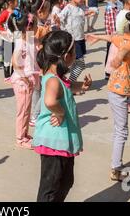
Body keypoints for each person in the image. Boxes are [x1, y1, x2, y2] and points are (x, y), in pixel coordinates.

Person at [86, 12, 130, 181]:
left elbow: (111, 37)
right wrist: (118, 57)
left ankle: (117, 165)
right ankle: (116, 168)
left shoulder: (123, 37)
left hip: (118, 90)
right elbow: (125, 49)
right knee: (121, 131)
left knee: (120, 129)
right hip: (119, 92)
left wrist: (97, 37)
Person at [33, 30, 92, 202]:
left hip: (61, 140)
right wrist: (60, 112)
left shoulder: (58, 76)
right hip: (54, 141)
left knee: (65, 181)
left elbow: (66, 86)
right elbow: (51, 101)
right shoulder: (52, 80)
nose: (76, 55)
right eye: (74, 52)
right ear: (66, 56)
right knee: (51, 187)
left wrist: (81, 86)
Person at [8, 9, 39, 149]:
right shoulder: (21, 42)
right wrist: (24, 78)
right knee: (23, 111)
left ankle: (25, 134)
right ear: (29, 26)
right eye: (36, 24)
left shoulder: (30, 38)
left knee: (26, 109)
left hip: (28, 79)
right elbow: (14, 61)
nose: (37, 27)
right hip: (22, 82)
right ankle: (20, 138)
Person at [59, 0, 95, 82]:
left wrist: (87, 13)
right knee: (80, 64)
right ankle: (69, 83)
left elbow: (79, 17)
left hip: (80, 39)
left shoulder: (79, 8)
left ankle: (69, 83)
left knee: (75, 63)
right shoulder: (68, 8)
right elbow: (60, 19)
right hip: (72, 40)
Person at [0, 0, 19, 81]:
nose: (18, 3)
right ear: (10, 2)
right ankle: (7, 75)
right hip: (7, 38)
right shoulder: (6, 13)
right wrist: (2, 31)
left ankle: (14, 73)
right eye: (17, 1)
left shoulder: (17, 11)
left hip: (15, 37)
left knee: (15, 56)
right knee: (7, 57)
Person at [103, 0, 121, 79]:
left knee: (110, 52)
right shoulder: (111, 7)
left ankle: (108, 71)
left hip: (111, 34)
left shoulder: (114, 5)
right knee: (110, 53)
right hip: (112, 35)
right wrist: (115, 35)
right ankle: (108, 72)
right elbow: (112, 23)